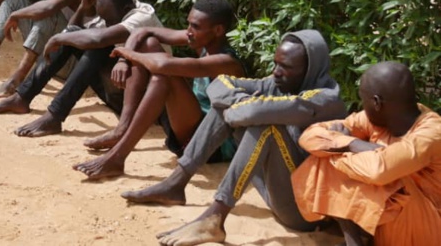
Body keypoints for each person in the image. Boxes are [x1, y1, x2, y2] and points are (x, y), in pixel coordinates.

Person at [122, 30, 345, 246]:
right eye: (276, 63)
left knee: (266, 127)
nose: (276, 72)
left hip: (302, 210)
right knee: (224, 106)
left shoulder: (324, 100)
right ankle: (176, 183)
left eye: (286, 67)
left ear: (309, 70)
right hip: (273, 190)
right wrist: (238, 107)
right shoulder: (279, 83)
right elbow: (220, 83)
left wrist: (239, 109)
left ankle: (215, 217)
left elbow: (255, 113)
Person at [72, 0, 246, 179]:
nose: (188, 31)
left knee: (164, 75)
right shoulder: (202, 42)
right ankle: (122, 130)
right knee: (148, 45)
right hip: (191, 129)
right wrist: (124, 60)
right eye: (188, 24)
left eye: (195, 26)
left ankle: (117, 157)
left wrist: (128, 54)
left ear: (218, 30)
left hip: (215, 145)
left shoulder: (227, 62)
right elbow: (143, 31)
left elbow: (163, 66)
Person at [0, 0, 163, 138]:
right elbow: (74, 31)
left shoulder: (142, 16)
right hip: (116, 91)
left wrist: (58, 38)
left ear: (125, 10)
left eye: (109, 21)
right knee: (75, 38)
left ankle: (55, 116)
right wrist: (82, 9)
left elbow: (99, 39)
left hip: (140, 102)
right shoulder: (112, 13)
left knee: (96, 48)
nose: (107, 24)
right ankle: (23, 97)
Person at [292, 61, 441, 246]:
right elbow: (311, 135)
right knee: (329, 155)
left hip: (426, 230)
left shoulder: (432, 133)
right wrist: (351, 143)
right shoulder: (380, 118)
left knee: (377, 175)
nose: (362, 107)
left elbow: (380, 170)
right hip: (388, 226)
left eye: (363, 99)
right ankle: (355, 242)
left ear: (377, 102)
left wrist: (341, 151)